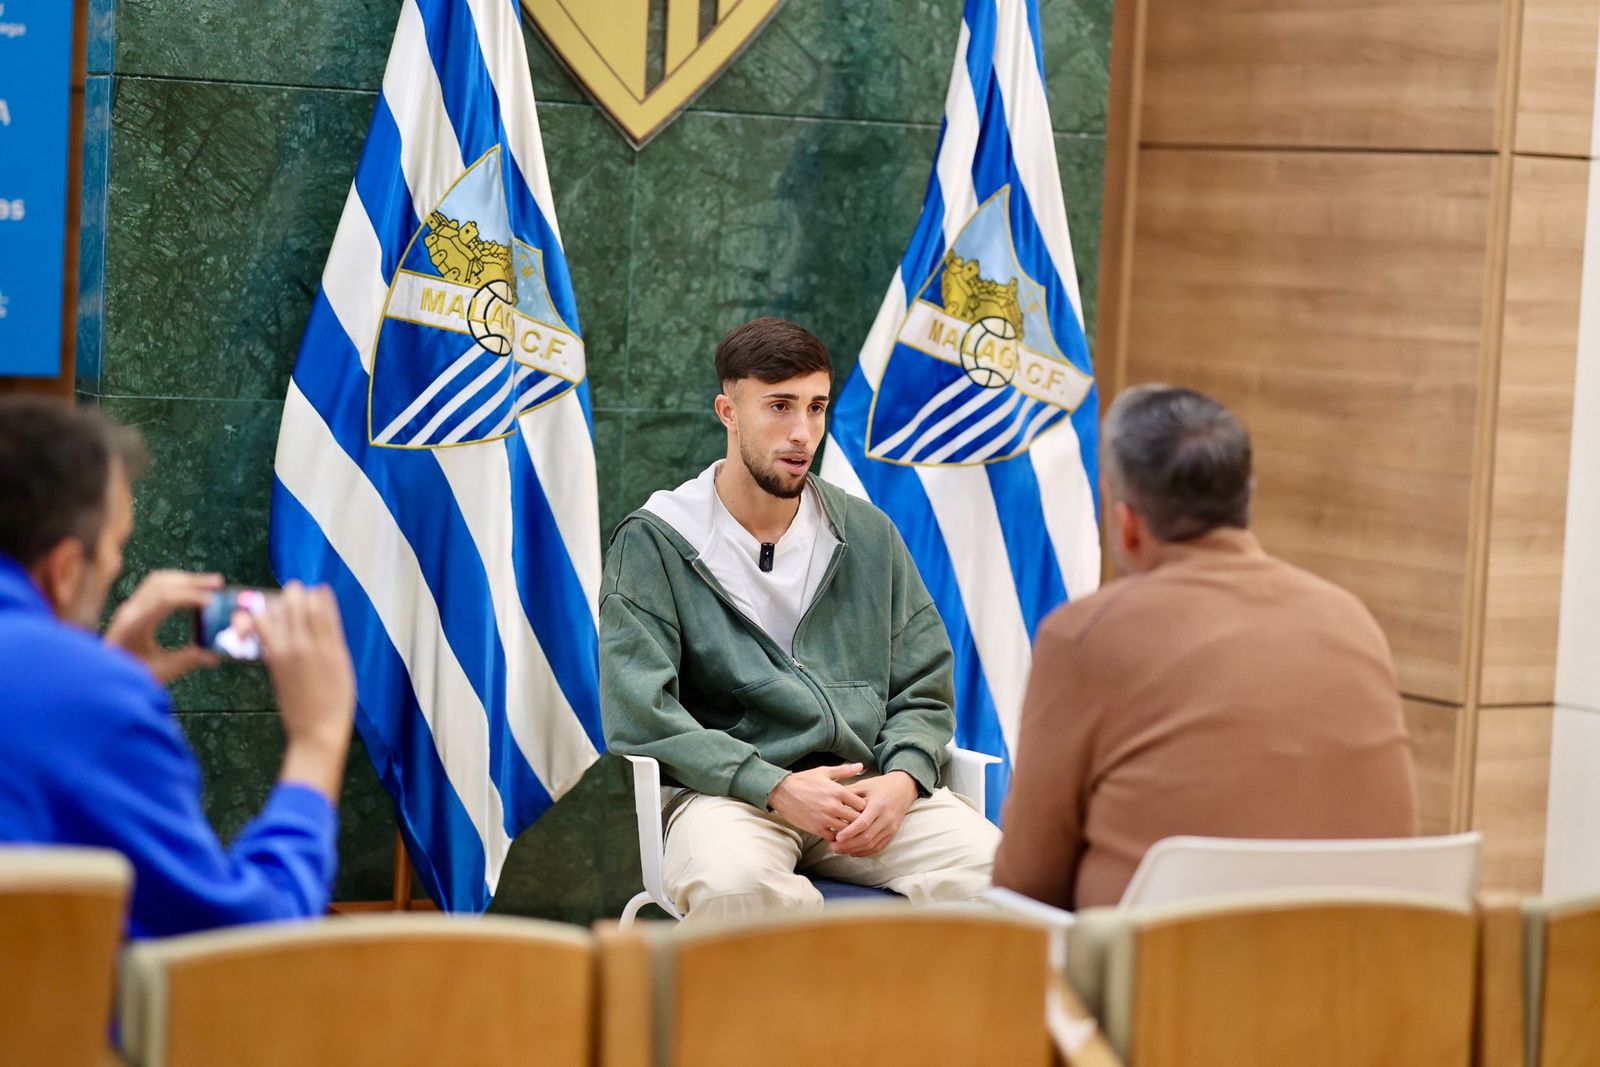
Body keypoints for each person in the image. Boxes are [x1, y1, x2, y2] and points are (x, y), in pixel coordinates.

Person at [600, 317, 999, 923]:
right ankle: (791, 1020)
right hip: (728, 796)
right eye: (779, 407)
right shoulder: (658, 541)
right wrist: (775, 785)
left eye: (816, 408)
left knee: (1000, 873)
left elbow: (925, 684)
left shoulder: (867, 534)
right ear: (727, 411)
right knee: (735, 885)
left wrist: (905, 778)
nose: (801, 432)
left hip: (865, 791)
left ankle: (913, 1021)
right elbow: (640, 714)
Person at [992, 385, 1417, 911]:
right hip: (1355, 979)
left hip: (1152, 986)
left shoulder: (1085, 636)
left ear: (1127, 524)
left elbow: (1028, 887)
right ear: (1246, 501)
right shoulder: (1354, 620)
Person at [0, 397, 357, 938]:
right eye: (117, 546)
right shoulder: (90, 698)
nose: (117, 566)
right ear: (67, 569)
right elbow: (245, 948)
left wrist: (102, 675)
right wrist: (319, 739)